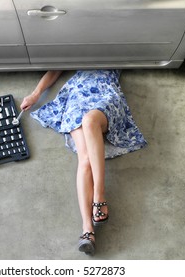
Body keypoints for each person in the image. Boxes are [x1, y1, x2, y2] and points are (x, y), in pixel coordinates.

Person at [20, 70, 147, 255]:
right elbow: (56, 67)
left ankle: (99, 196)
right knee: (85, 159)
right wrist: (35, 94)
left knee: (89, 122)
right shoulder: (76, 44)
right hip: (77, 95)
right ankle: (87, 230)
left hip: (105, 92)